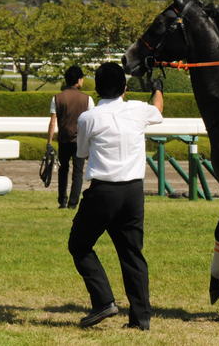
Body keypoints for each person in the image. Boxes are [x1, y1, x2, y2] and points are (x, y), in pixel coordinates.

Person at [67, 62, 163, 330]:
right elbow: (157, 110)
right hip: (133, 191)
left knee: (80, 245)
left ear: (97, 89)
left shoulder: (89, 117)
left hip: (103, 190)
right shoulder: (137, 110)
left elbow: (82, 152)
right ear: (125, 87)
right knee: (132, 254)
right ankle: (141, 318)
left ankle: (103, 301)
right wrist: (157, 89)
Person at [47, 65, 94, 209]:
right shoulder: (88, 99)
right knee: (78, 172)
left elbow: (53, 122)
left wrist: (49, 142)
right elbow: (92, 122)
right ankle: (73, 203)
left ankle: (62, 201)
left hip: (63, 139)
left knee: (63, 170)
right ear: (79, 80)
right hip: (80, 141)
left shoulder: (57, 98)